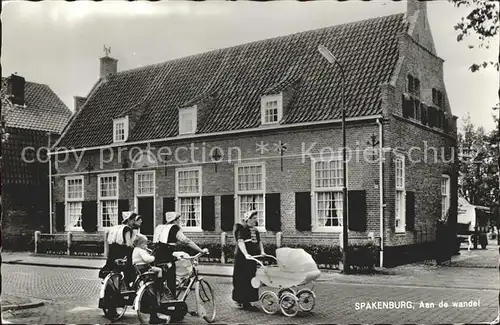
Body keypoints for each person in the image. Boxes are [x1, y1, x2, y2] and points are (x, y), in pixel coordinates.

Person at [153, 211, 208, 299]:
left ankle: (159, 298)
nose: (179, 221)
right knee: (171, 278)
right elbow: (187, 241)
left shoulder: (160, 227)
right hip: (167, 256)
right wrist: (201, 251)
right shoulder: (174, 228)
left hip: (157, 255)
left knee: (160, 277)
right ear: (174, 220)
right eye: (178, 219)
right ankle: (172, 302)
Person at [232, 210, 265, 311]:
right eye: (254, 218)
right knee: (243, 279)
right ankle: (244, 302)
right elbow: (240, 242)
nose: (256, 220)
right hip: (242, 259)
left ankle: (246, 300)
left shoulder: (255, 230)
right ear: (248, 219)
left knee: (251, 278)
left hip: (252, 258)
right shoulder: (242, 228)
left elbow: (259, 242)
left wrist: (262, 252)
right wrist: (246, 254)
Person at [100, 211, 143, 287]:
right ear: (129, 220)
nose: (134, 222)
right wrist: (136, 248)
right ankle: (128, 285)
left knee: (115, 270)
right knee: (132, 270)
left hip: (113, 253)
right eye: (133, 220)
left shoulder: (115, 227)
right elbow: (128, 244)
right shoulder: (127, 228)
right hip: (123, 254)